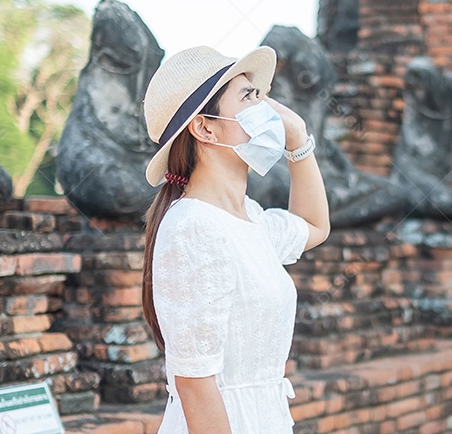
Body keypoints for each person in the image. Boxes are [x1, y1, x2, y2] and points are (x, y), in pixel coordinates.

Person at [139, 45, 330, 433]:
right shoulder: (194, 226)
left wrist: (298, 140)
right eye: (248, 97)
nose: (267, 109)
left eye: (261, 96)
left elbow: (314, 225)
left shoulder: (251, 219)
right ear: (205, 127)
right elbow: (194, 383)